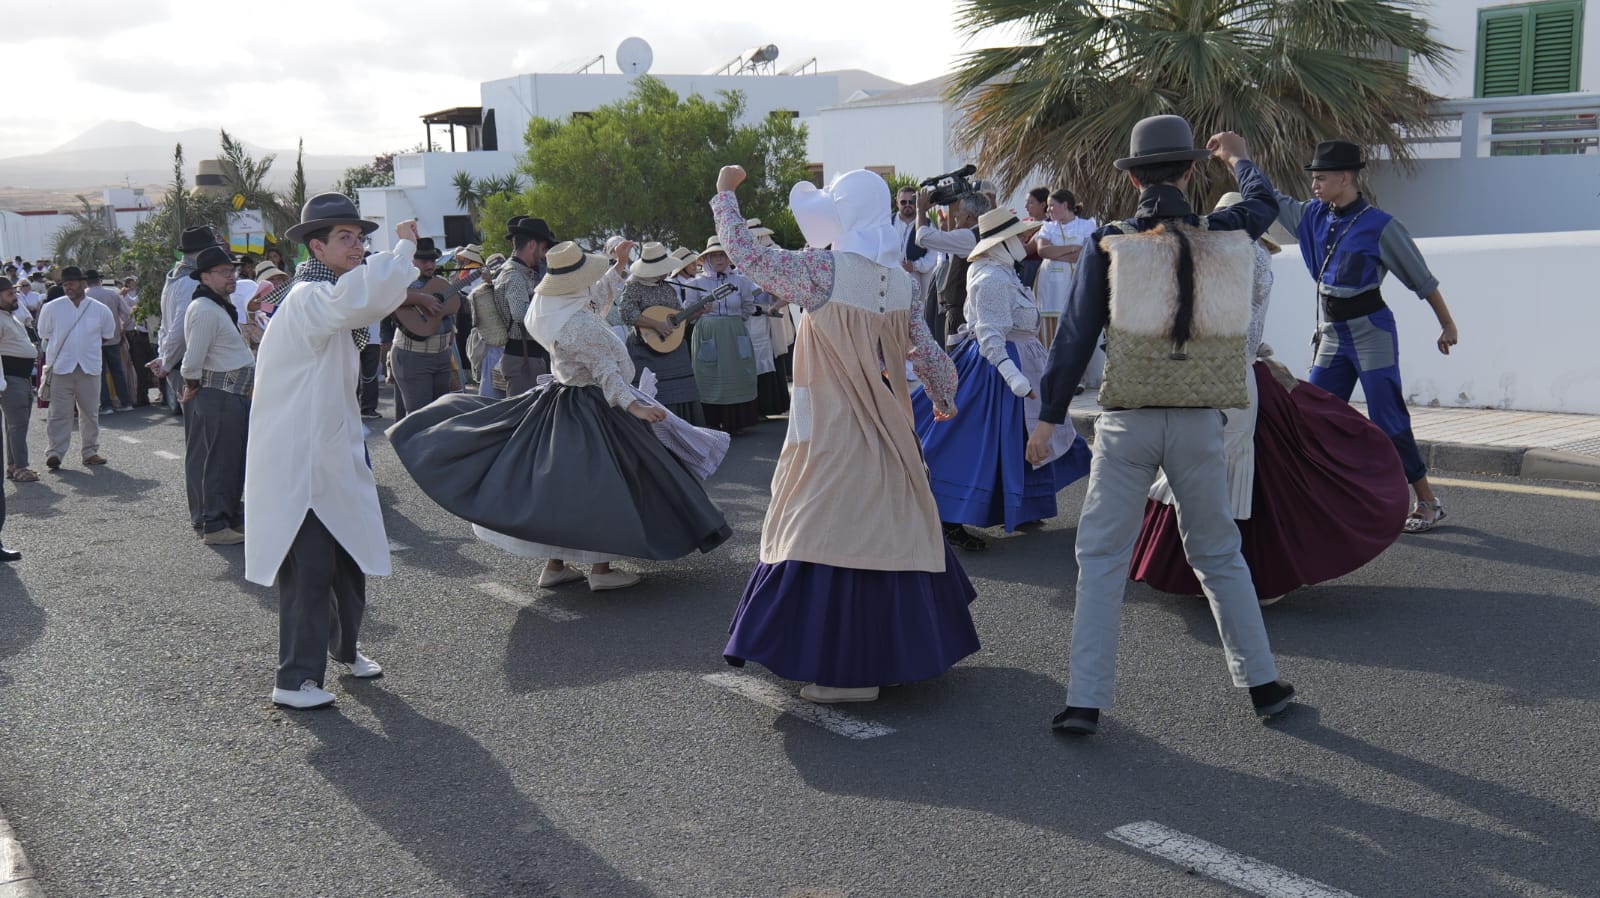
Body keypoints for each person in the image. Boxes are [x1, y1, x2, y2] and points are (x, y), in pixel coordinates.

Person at [1025, 116, 1295, 735]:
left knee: (1101, 557)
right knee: (1219, 553)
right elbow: (1264, 204)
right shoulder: (1222, 232)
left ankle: (1084, 701)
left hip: (1128, 420)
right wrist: (1239, 158)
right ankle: (1262, 685)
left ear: (1134, 178)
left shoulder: (1109, 241)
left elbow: (1074, 338)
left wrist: (1048, 419)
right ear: (1191, 171)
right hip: (1200, 417)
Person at [714, 164, 979, 704]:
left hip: (833, 422)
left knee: (822, 530)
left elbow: (748, 255)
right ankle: (894, 657)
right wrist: (944, 396)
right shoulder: (899, 281)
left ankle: (847, 674)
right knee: (891, 527)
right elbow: (926, 349)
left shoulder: (822, 270)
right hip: (886, 421)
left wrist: (725, 196)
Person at [388, 241, 732, 593]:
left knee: (561, 488)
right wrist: (635, 406)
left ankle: (555, 565)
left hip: (561, 401)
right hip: (594, 405)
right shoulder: (578, 323)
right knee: (606, 484)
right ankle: (600, 569)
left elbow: (596, 302)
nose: (591, 282)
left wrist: (618, 266)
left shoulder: (553, 308)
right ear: (576, 282)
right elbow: (606, 372)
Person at [1130, 198, 1411, 602]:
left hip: (1225, 377)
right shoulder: (1254, 255)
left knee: (1218, 472)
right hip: (1243, 372)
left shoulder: (1233, 256)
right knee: (1254, 475)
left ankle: (1225, 574)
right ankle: (1241, 574)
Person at [245, 195, 422, 710]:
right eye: (345, 237)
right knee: (310, 570)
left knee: (349, 557)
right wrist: (402, 250)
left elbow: (364, 300)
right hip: (300, 462)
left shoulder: (326, 295)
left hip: (332, 453)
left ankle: (344, 649)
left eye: (360, 237)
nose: (357, 246)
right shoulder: (308, 297)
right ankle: (294, 679)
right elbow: (365, 299)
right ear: (316, 247)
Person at [1274, 140, 1460, 533]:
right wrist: (1237, 159)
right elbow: (1268, 197)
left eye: (1321, 178)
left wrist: (1447, 324)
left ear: (1345, 178)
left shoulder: (1381, 226)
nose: (1314, 185)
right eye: (1313, 178)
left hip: (1371, 333)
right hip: (1332, 335)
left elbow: (1423, 281)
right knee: (1311, 417)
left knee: (1388, 419)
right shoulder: (1312, 216)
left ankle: (1428, 502)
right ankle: (1325, 499)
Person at [912, 208, 1093, 551]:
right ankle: (949, 516)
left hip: (1019, 362)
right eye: (1018, 236)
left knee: (1016, 438)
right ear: (1001, 243)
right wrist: (1015, 379)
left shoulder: (1003, 271)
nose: (1026, 239)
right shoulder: (991, 277)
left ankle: (1022, 503)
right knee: (975, 442)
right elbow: (991, 338)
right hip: (997, 369)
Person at [180, 246, 256, 545]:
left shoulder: (217, 306)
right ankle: (215, 525)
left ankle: (229, 517)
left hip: (231, 393)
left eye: (232, 271)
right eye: (224, 272)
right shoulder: (204, 309)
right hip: (219, 393)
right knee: (221, 463)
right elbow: (192, 361)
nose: (231, 276)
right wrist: (192, 386)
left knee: (232, 460)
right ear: (205, 277)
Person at [618, 241, 707, 425]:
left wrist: (694, 314)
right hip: (644, 348)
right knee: (653, 392)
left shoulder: (667, 288)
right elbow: (626, 313)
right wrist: (656, 324)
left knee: (682, 389)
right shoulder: (634, 287)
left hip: (672, 347)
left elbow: (676, 321)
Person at [37, 266, 117, 470]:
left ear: (83, 283)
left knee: (90, 413)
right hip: (61, 368)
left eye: (71, 283)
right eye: (65, 284)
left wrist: (86, 347)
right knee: (59, 413)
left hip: (89, 367)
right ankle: (55, 453)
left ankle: (90, 452)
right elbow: (44, 333)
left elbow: (107, 335)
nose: (68, 288)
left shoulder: (100, 309)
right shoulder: (51, 308)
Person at [688, 236, 762, 435]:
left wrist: (734, 322)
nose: (719, 259)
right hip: (708, 331)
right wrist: (703, 313)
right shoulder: (696, 283)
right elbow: (688, 312)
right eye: (714, 256)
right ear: (707, 259)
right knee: (710, 373)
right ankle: (713, 421)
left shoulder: (741, 281)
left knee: (738, 373)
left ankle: (736, 422)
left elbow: (748, 306)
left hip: (734, 332)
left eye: (723, 255)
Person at [494, 216, 559, 396]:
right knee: (523, 412)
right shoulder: (514, 275)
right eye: (543, 248)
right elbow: (521, 315)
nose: (544, 254)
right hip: (523, 359)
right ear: (532, 245)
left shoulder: (524, 272)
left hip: (531, 357)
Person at [915, 189, 991, 342]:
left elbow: (922, 237)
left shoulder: (969, 236)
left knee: (956, 355)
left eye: (959, 211)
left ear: (969, 216)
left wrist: (921, 210)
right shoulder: (982, 233)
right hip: (970, 310)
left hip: (961, 314)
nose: (955, 214)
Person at [1031, 189, 1098, 359]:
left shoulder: (1086, 225)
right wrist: (1072, 248)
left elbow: (1085, 254)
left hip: (1076, 280)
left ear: (1065, 205)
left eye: (1052, 206)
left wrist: (1057, 253)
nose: (1048, 210)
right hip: (1050, 284)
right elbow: (1043, 251)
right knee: (1049, 323)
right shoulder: (1048, 227)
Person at [0, 278, 38, 483]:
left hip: (21, 378)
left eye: (14, 293)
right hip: (10, 377)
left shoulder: (10, 316)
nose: (14, 297)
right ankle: (21, 467)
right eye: (9, 294)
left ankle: (14, 466)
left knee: (15, 425)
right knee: (18, 425)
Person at [85, 269, 132, 413]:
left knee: (99, 373)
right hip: (113, 338)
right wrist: (123, 330)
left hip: (92, 340)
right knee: (117, 371)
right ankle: (125, 402)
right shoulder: (112, 294)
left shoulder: (84, 296)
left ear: (86, 281)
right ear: (99, 280)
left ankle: (106, 405)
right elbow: (128, 314)